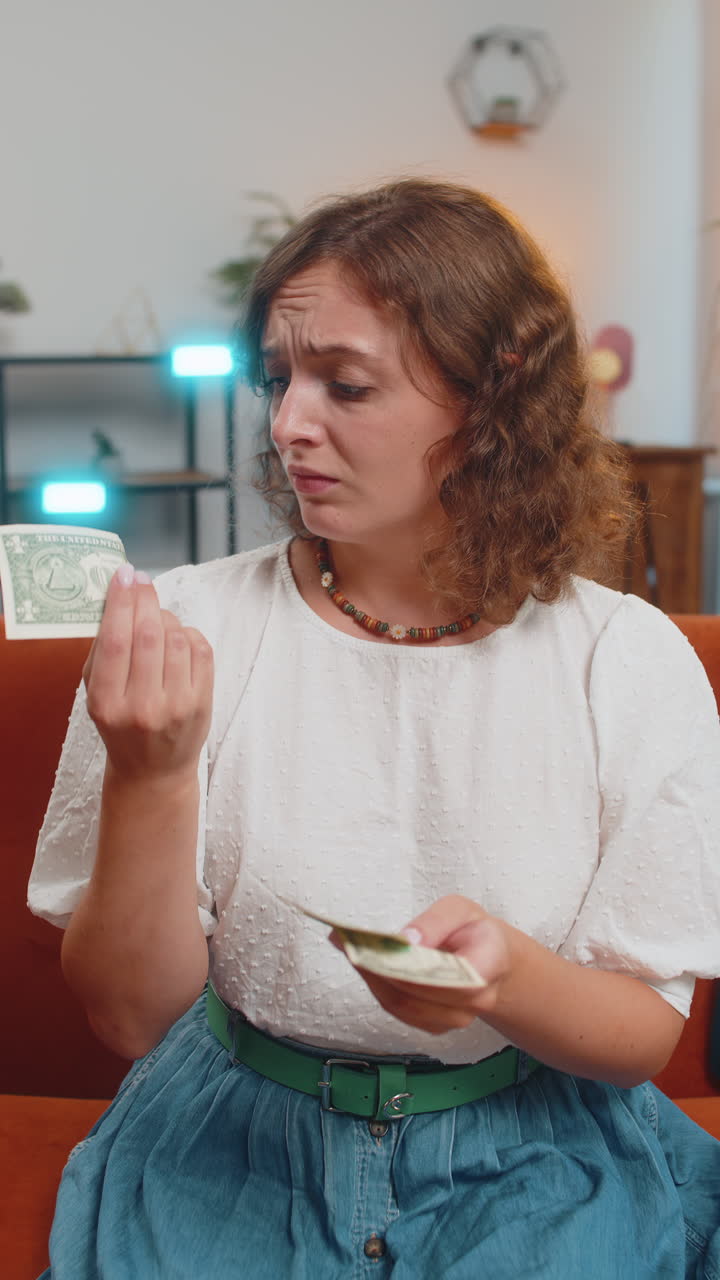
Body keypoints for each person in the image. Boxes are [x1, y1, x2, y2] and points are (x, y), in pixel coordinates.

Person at [29, 177, 720, 1279]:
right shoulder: (190, 630)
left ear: (493, 399)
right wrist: (151, 773)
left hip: (533, 1147)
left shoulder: (626, 663)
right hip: (234, 1138)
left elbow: (647, 1032)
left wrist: (508, 985)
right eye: (279, 379)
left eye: (345, 384)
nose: (290, 422)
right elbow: (129, 1015)